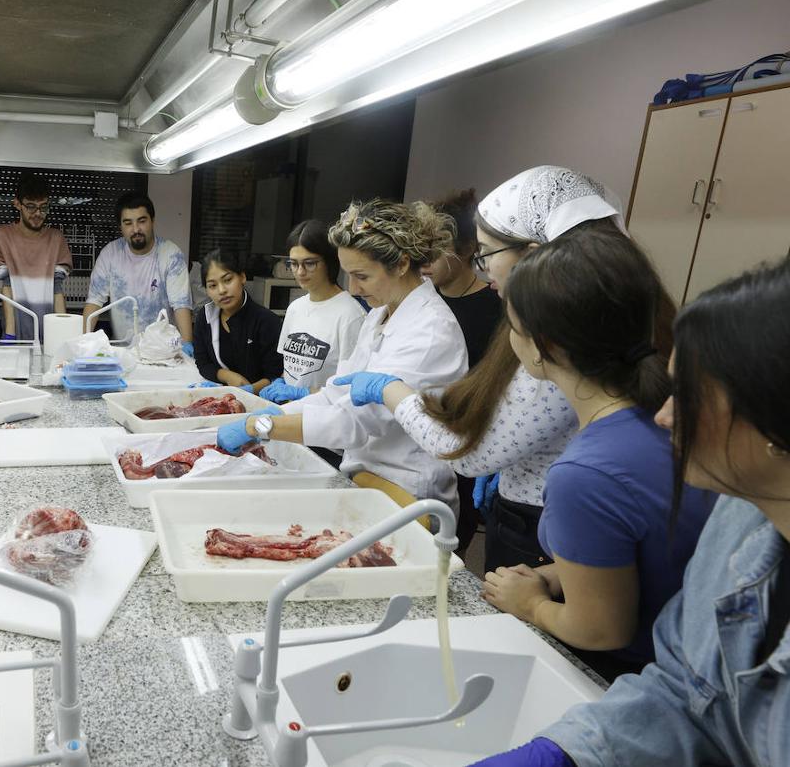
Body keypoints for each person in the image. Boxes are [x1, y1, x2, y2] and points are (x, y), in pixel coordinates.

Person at [471, 258, 790, 767]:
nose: (665, 417)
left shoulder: (591, 470)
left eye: (690, 397)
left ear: (776, 424)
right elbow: (687, 687)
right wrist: (569, 752)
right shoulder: (741, 513)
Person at [341, 166, 641, 568]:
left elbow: (464, 453)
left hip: (541, 527)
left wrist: (390, 391)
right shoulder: (568, 321)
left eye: (487, 255)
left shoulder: (562, 340)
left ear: (533, 257)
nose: (483, 269)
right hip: (526, 508)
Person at [480, 222, 715, 681]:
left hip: (639, 674)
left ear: (542, 346)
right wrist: (557, 574)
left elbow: (601, 629)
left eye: (511, 325)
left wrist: (531, 605)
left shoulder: (585, 473)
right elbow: (653, 549)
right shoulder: (670, 414)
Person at [217, 200, 467, 507]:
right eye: (349, 275)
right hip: (365, 476)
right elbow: (339, 392)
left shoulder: (430, 332)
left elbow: (356, 422)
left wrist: (262, 427)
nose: (354, 289)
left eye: (362, 276)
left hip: (406, 490)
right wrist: (279, 413)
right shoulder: (382, 313)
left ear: (401, 264)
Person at [259, 220, 365, 404]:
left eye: (309, 263)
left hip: (325, 419)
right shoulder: (295, 308)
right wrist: (281, 384)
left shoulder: (351, 315)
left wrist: (304, 394)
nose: (300, 272)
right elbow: (290, 369)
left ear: (330, 261)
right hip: (290, 413)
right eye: (293, 264)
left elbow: (350, 390)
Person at [82, 192, 193, 350]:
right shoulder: (110, 254)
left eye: (142, 221)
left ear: (152, 221)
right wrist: (83, 341)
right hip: (122, 349)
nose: (136, 229)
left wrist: (187, 343)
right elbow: (94, 302)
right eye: (128, 223)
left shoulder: (170, 255)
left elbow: (181, 305)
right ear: (120, 226)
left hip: (163, 351)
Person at [0, 172, 72, 341]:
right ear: (17, 204)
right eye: (31, 206)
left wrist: (63, 332)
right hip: (16, 330)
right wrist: (10, 334)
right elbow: (7, 287)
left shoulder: (56, 239)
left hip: (50, 332)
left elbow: (57, 289)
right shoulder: (2, 237)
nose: (38, 213)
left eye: (44, 207)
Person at [425, 189, 503, 370]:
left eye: (439, 245)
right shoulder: (422, 300)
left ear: (467, 248)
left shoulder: (497, 308)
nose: (425, 257)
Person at [190, 249, 283, 393]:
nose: (222, 290)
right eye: (213, 285)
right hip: (222, 398)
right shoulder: (205, 317)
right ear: (207, 290)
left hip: (261, 400)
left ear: (242, 277)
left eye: (227, 280)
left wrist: (249, 390)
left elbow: (275, 375)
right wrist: (227, 376)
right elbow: (203, 364)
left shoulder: (267, 321)